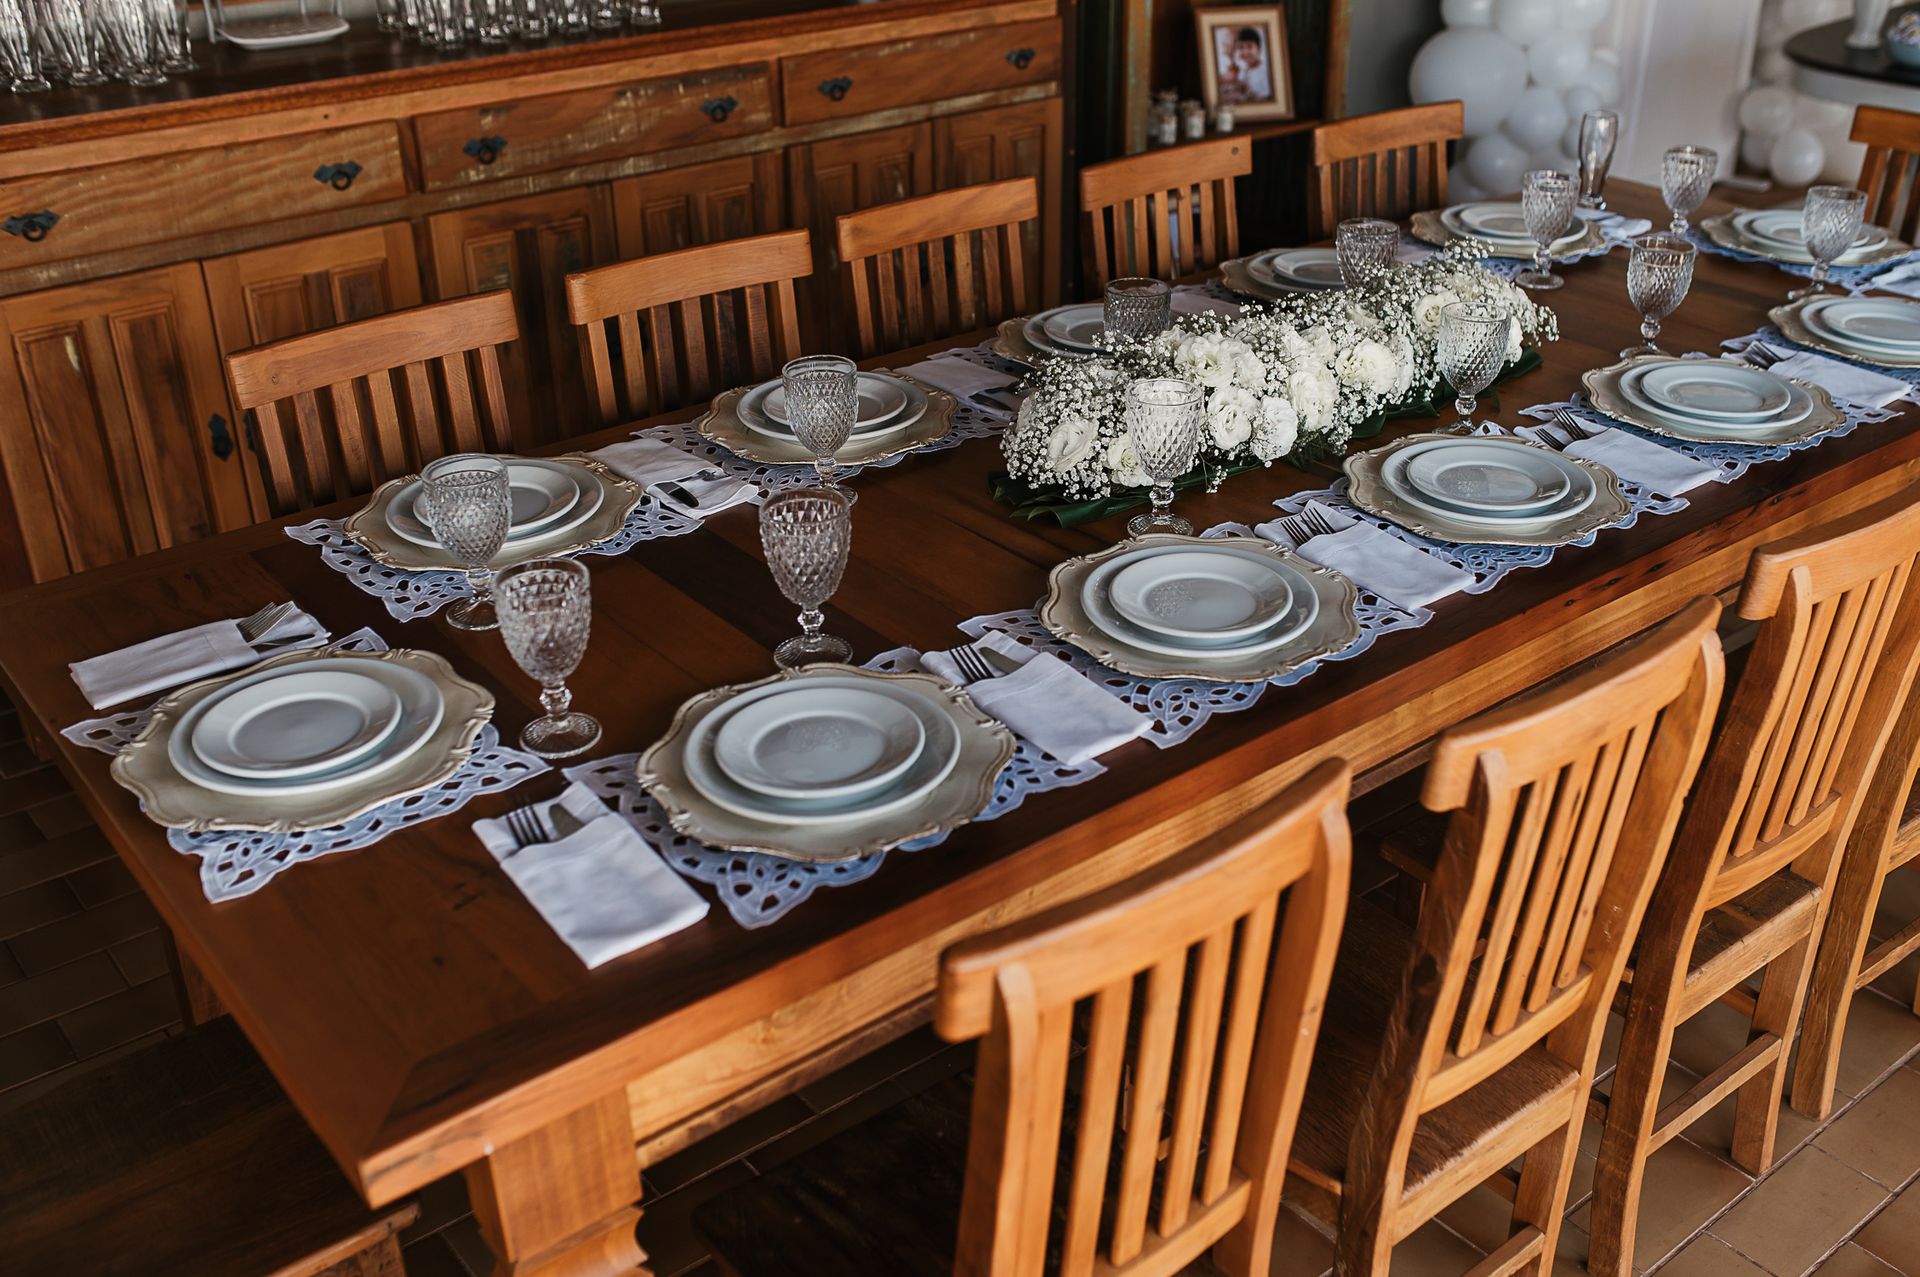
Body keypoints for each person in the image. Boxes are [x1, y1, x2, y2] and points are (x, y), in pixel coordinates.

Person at [1228, 26, 1272, 104]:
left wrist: (1244, 98)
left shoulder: (1267, 71)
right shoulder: (1243, 70)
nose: (1245, 52)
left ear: (1259, 49)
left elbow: (1267, 100)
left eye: (1249, 46)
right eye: (1241, 47)